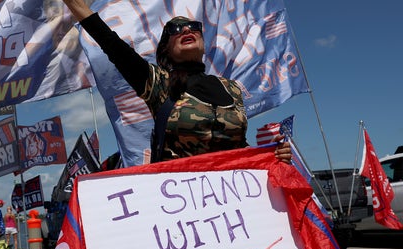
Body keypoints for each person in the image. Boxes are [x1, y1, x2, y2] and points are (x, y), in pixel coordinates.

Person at [61, 0, 292, 163]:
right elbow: (110, 43)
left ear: (202, 41)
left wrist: (271, 156)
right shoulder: (157, 82)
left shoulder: (230, 89)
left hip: (230, 203)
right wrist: (76, 6)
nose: (186, 30)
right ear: (166, 49)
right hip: (180, 204)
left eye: (194, 27)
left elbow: (237, 148)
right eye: (175, 29)